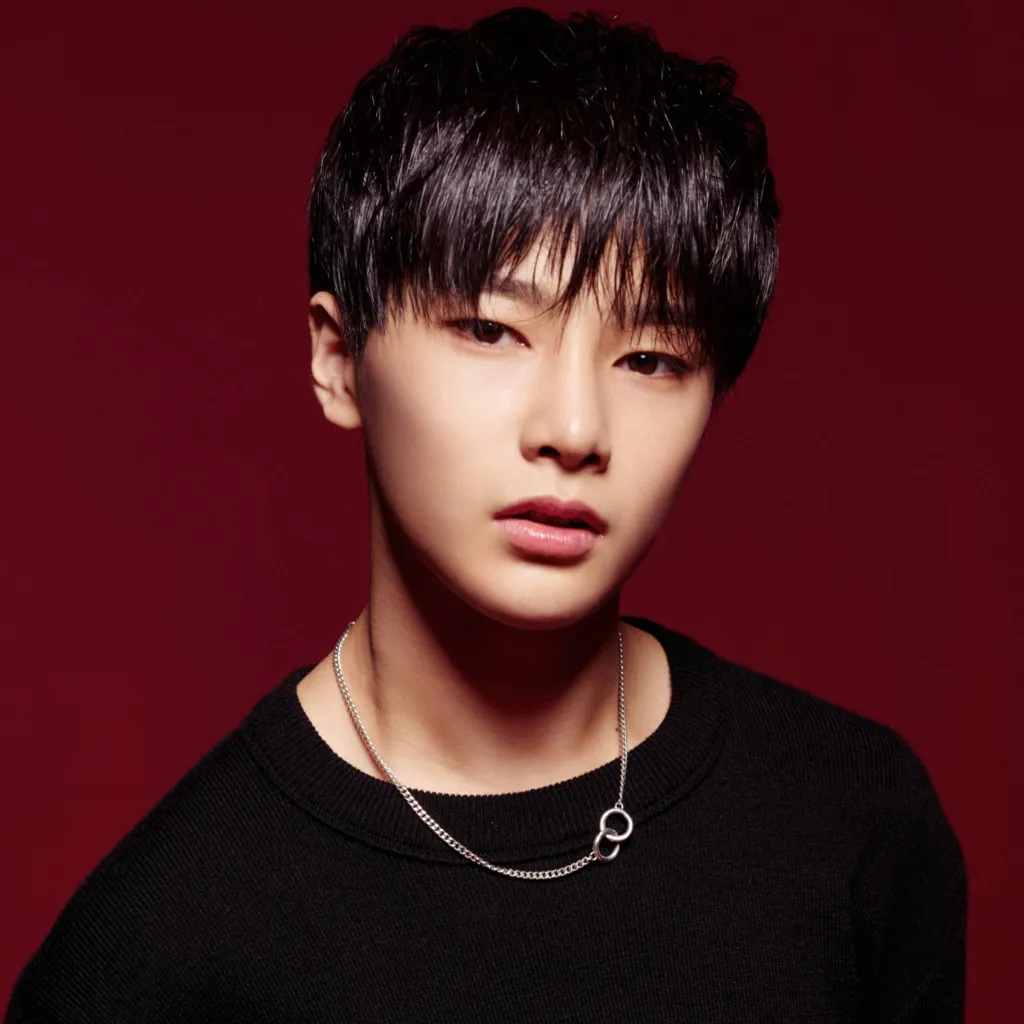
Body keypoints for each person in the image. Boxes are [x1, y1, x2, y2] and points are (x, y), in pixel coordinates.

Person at [5, 6, 967, 1022]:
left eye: (649, 359)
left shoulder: (852, 823)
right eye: (490, 330)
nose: (573, 428)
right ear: (339, 360)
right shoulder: (153, 948)